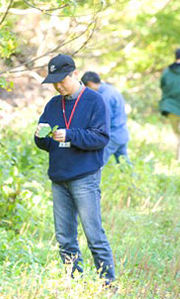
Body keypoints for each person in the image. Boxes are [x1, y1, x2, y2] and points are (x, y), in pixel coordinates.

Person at [34, 54, 115, 284]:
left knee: (94, 235)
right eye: (54, 82)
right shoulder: (52, 104)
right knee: (64, 238)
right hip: (59, 178)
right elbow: (47, 144)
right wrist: (40, 136)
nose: (58, 86)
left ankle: (107, 284)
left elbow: (101, 137)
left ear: (75, 74)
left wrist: (71, 135)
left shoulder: (94, 101)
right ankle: (74, 283)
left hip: (84, 177)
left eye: (62, 80)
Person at [81, 71, 130, 164]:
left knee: (97, 163)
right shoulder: (110, 89)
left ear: (90, 83)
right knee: (125, 164)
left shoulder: (105, 96)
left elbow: (104, 119)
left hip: (113, 135)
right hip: (122, 132)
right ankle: (134, 178)